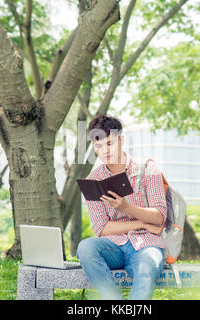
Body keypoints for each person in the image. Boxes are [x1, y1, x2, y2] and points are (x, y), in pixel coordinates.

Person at [76, 114, 167, 300]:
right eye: (98, 146)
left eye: (110, 143)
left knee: (148, 264)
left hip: (146, 245)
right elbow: (102, 228)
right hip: (113, 247)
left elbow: (159, 217)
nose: (104, 151)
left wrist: (127, 208)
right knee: (85, 247)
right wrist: (141, 224)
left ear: (121, 140)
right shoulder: (93, 180)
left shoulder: (148, 168)